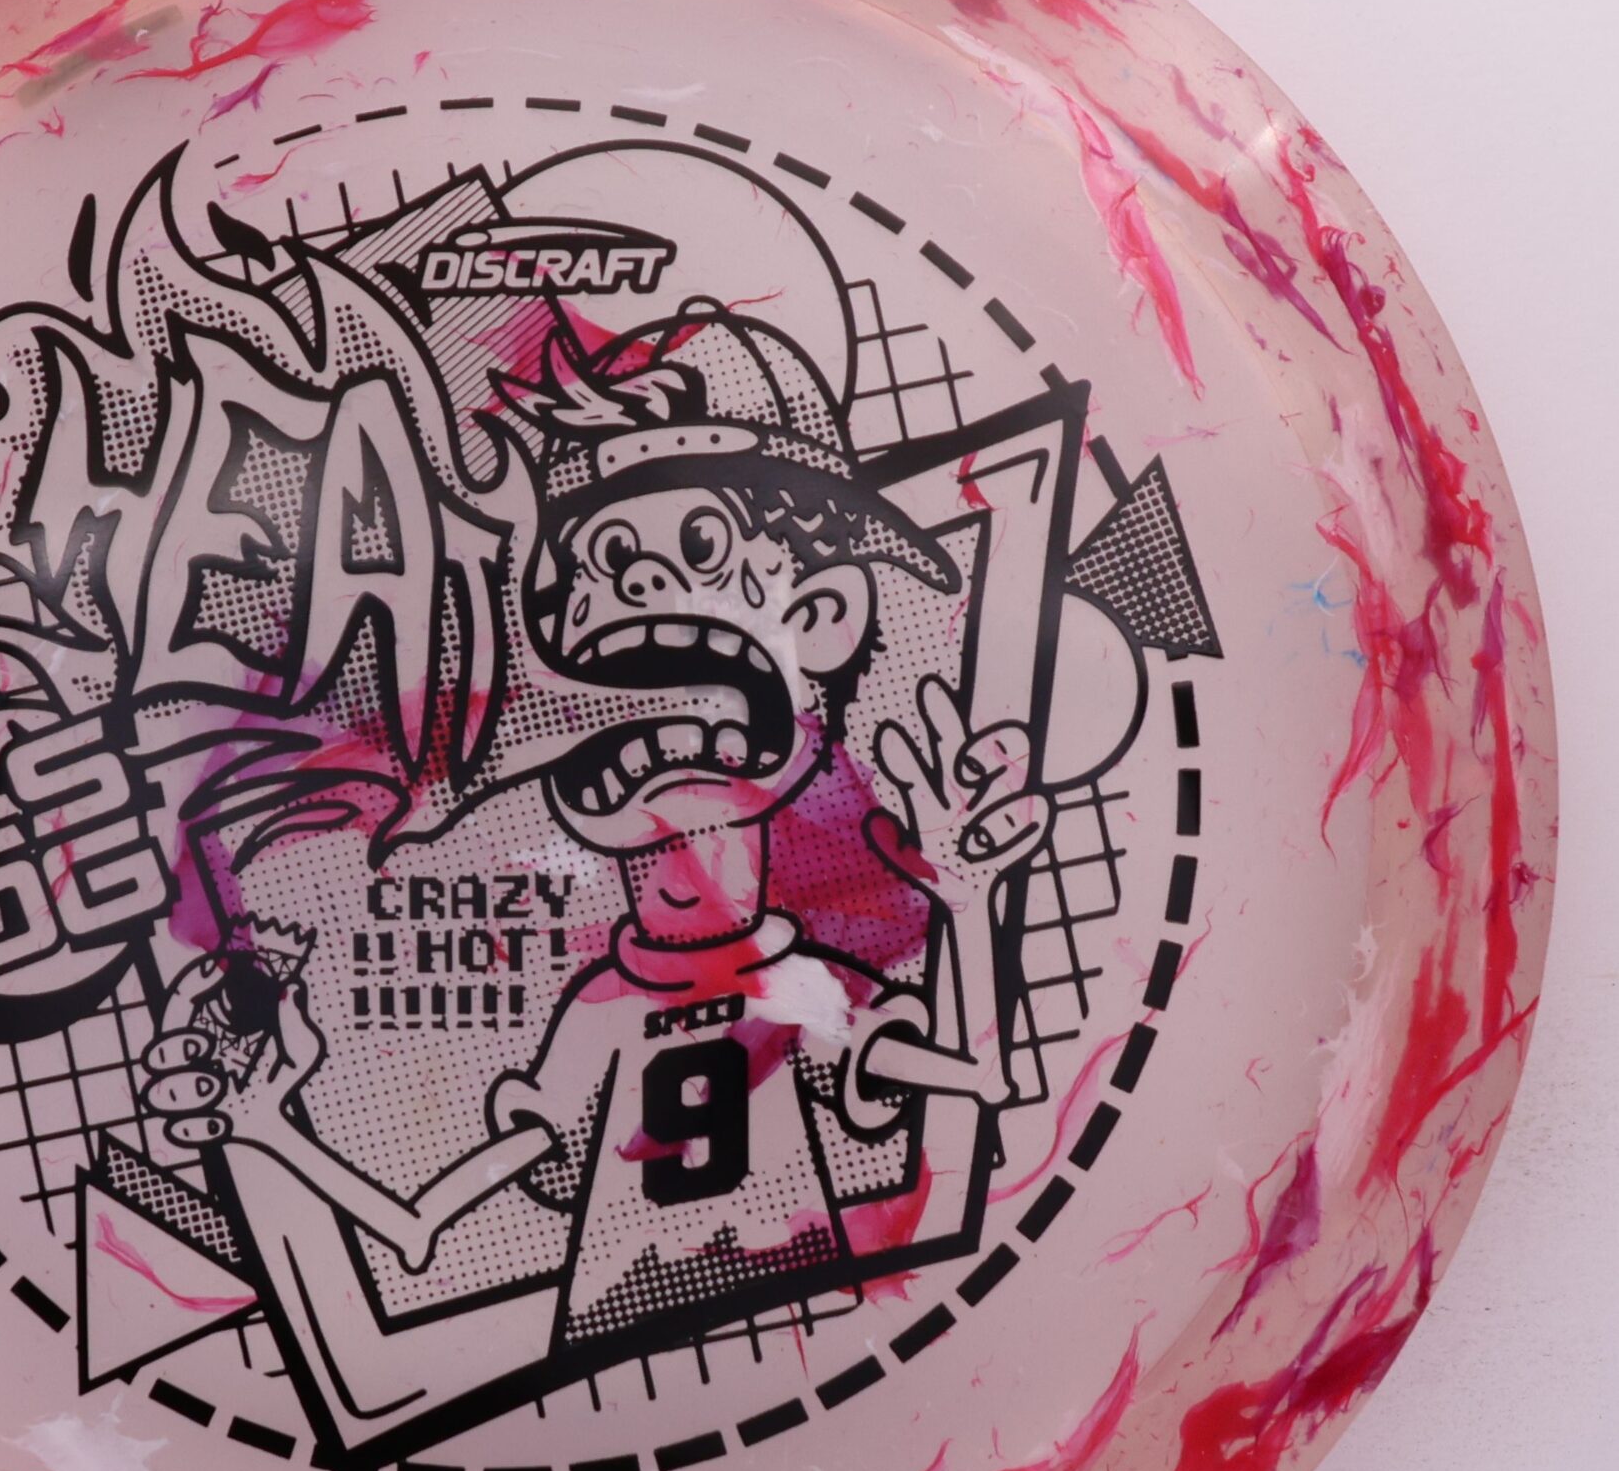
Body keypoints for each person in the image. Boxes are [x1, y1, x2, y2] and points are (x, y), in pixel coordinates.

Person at [141, 306, 1051, 1350]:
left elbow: (986, 1089)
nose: (641, 586)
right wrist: (265, 1125)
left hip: (817, 1333)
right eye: (602, 563)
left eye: (700, 545)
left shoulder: (817, 992)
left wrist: (968, 904)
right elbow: (421, 1228)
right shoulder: (597, 1015)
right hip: (626, 1342)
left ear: (821, 620)